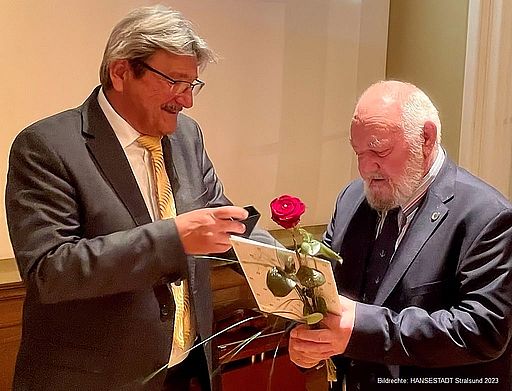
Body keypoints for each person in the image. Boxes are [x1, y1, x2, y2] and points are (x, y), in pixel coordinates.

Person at [5, 5, 273, 391]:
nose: (186, 101)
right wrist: (173, 238)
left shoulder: (186, 137)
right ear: (121, 71)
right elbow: (51, 271)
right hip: (97, 379)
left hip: (185, 370)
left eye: (192, 85)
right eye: (174, 82)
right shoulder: (46, 146)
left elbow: (222, 221)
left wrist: (298, 271)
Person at [288, 80, 512, 390]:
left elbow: (484, 330)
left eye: (379, 150)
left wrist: (363, 327)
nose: (366, 168)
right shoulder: (352, 199)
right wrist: (309, 341)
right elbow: (325, 291)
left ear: (426, 138)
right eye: (358, 152)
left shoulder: (486, 215)